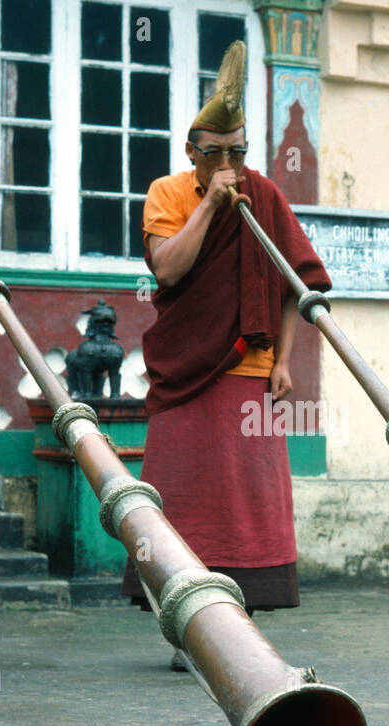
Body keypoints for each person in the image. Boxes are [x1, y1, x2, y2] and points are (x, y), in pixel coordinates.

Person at [119, 41, 332, 668]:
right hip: (186, 370)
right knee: (183, 496)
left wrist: (286, 362)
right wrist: (212, 202)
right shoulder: (169, 192)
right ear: (192, 152)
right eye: (216, 153)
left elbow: (298, 282)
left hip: (253, 372)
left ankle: (241, 625)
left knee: (250, 500)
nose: (230, 163)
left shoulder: (264, 195)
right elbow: (168, 269)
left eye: (238, 152)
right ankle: (187, 619)